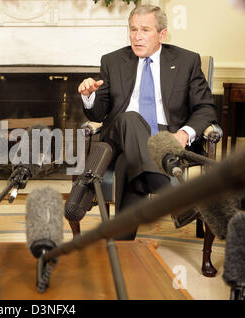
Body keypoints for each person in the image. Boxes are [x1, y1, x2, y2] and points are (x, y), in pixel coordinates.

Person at [77, 5, 217, 239]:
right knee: (131, 119)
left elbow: (205, 108)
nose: (137, 36)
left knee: (129, 166)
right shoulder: (113, 61)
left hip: (164, 138)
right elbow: (97, 114)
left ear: (162, 34)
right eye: (133, 29)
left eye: (145, 30)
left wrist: (184, 134)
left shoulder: (187, 61)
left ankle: (122, 245)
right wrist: (88, 96)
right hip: (119, 133)